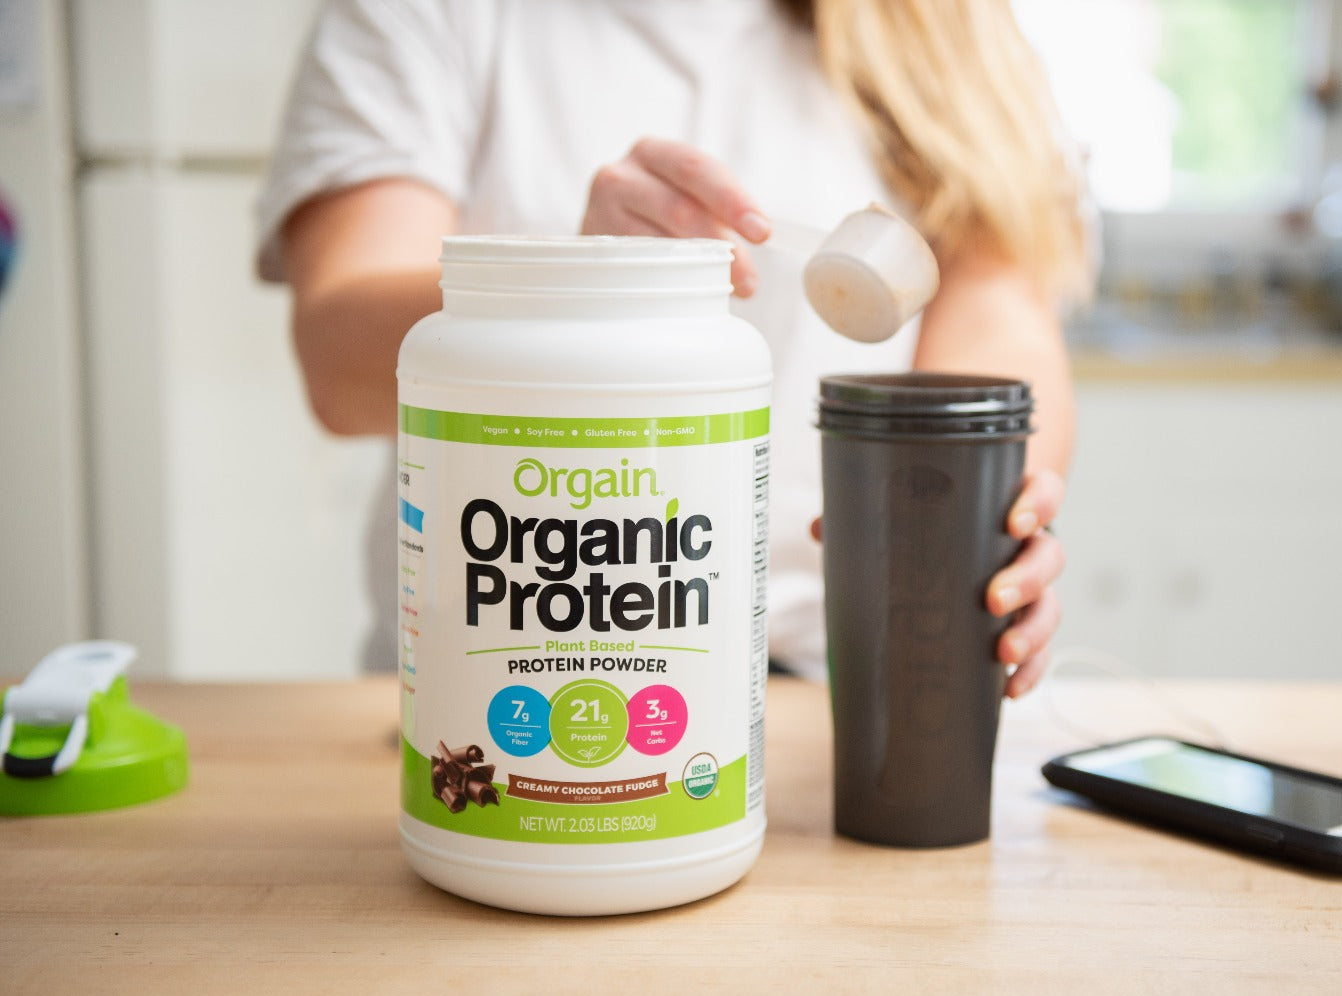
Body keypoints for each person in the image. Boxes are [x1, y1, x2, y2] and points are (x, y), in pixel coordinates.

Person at [256, 0, 1090, 694]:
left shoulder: (944, 26)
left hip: (840, 673)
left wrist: (975, 526)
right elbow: (339, 366)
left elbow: (999, 313)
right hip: (497, 673)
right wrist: (576, 286)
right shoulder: (432, 15)